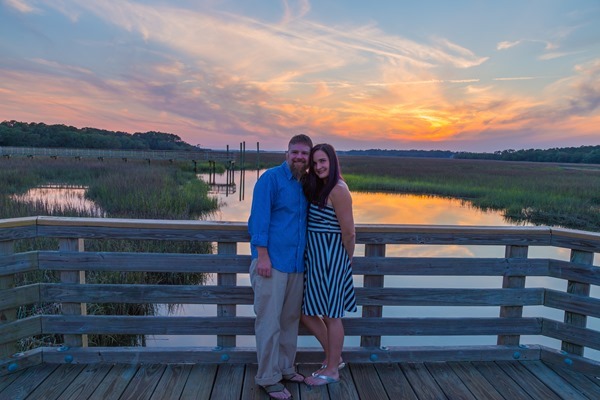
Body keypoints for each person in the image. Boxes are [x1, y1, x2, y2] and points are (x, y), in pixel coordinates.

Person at [248, 134, 313, 400]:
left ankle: (285, 368)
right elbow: (258, 220)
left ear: (308, 158)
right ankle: (268, 377)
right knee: (268, 322)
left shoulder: (306, 184)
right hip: (271, 264)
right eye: (294, 152)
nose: (299, 157)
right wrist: (262, 256)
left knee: (289, 321)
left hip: (296, 265)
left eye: (304, 154)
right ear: (287, 153)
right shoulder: (270, 180)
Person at [301, 143, 357, 386]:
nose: (318, 167)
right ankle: (334, 358)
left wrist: (346, 260)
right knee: (307, 312)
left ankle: (332, 370)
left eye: (323, 161)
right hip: (316, 260)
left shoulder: (338, 189)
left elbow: (349, 232)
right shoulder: (322, 187)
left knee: (332, 315)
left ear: (333, 162)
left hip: (332, 259)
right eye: (314, 163)